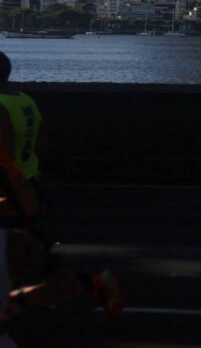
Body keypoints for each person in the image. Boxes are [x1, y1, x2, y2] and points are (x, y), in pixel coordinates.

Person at [0, 52, 123, 318]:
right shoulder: (24, 101)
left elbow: (3, 158)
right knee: (24, 256)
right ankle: (91, 284)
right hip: (29, 186)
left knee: (28, 257)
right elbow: (42, 145)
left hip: (9, 194)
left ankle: (91, 284)